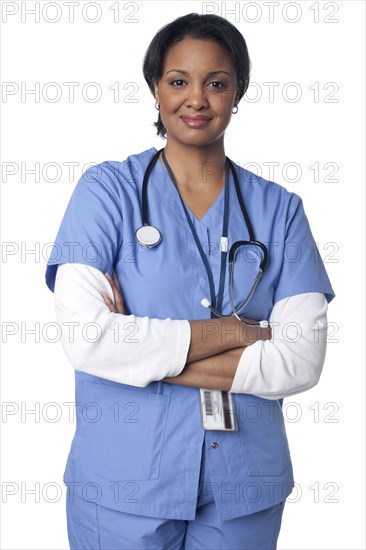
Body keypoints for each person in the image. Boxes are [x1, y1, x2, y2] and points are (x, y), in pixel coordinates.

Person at [45, 12, 335, 550]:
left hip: (245, 488)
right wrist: (237, 332)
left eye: (216, 83)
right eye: (179, 81)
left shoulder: (280, 210)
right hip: (122, 486)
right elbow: (87, 339)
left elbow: (300, 360)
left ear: (238, 92)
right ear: (155, 87)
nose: (196, 99)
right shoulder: (107, 192)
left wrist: (142, 354)